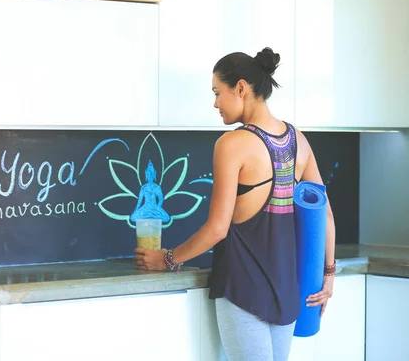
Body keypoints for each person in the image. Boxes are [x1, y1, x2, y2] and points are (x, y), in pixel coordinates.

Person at [133, 48, 336, 361]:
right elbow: (325, 214)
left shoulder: (231, 144)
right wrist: (329, 275)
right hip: (287, 294)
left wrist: (168, 259)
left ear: (241, 88)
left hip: (243, 292)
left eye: (217, 92)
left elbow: (217, 228)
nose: (215, 103)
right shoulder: (299, 139)